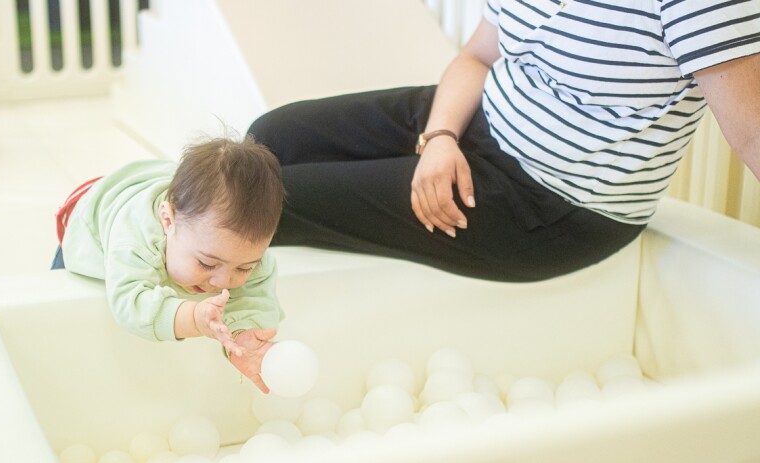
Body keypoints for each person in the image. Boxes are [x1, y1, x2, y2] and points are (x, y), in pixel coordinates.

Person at [248, 0, 760, 282]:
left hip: (551, 203)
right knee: (269, 139)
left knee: (271, 204)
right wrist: (441, 137)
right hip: (479, 118)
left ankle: (185, 280)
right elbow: (477, 58)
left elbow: (752, 135)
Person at [52, 137, 285, 393]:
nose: (221, 282)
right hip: (90, 216)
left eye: (242, 269)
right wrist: (193, 319)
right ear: (167, 220)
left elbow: (255, 295)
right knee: (56, 308)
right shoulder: (135, 239)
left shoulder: (237, 250)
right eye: (207, 263)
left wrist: (243, 334)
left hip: (166, 191)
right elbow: (130, 302)